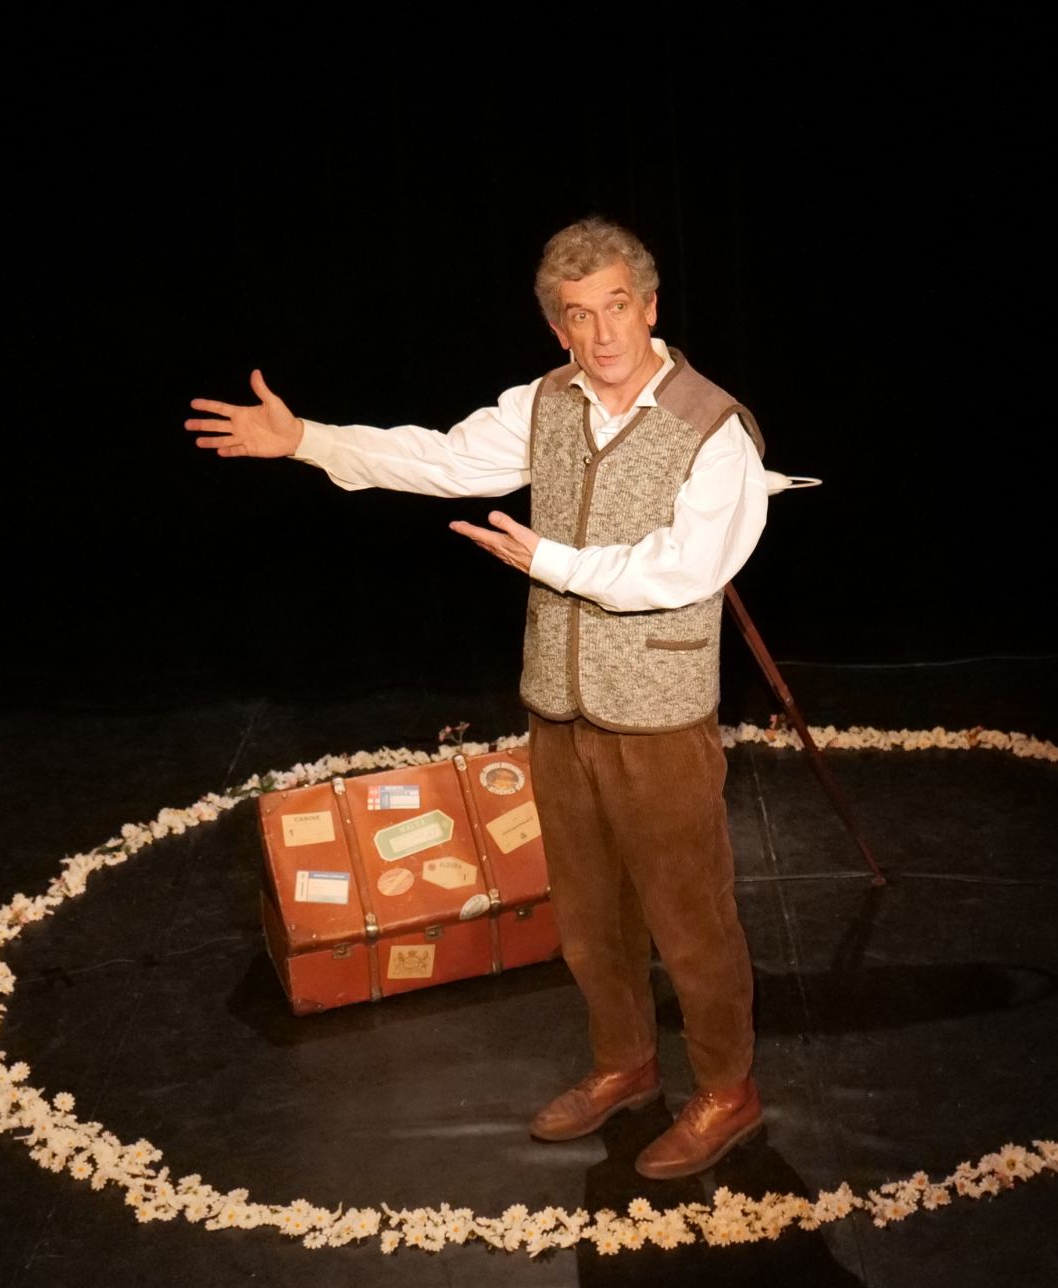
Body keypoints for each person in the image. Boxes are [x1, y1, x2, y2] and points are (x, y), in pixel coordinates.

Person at [185, 218, 768, 1180]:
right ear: (557, 327)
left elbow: (687, 567)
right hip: (561, 707)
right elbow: (444, 460)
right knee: (588, 916)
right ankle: (624, 1063)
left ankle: (726, 1090)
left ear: (651, 308)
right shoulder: (546, 402)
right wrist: (306, 441)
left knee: (688, 918)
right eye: (578, 316)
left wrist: (554, 562)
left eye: (617, 307)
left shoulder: (713, 427)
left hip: (659, 718)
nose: (602, 333)